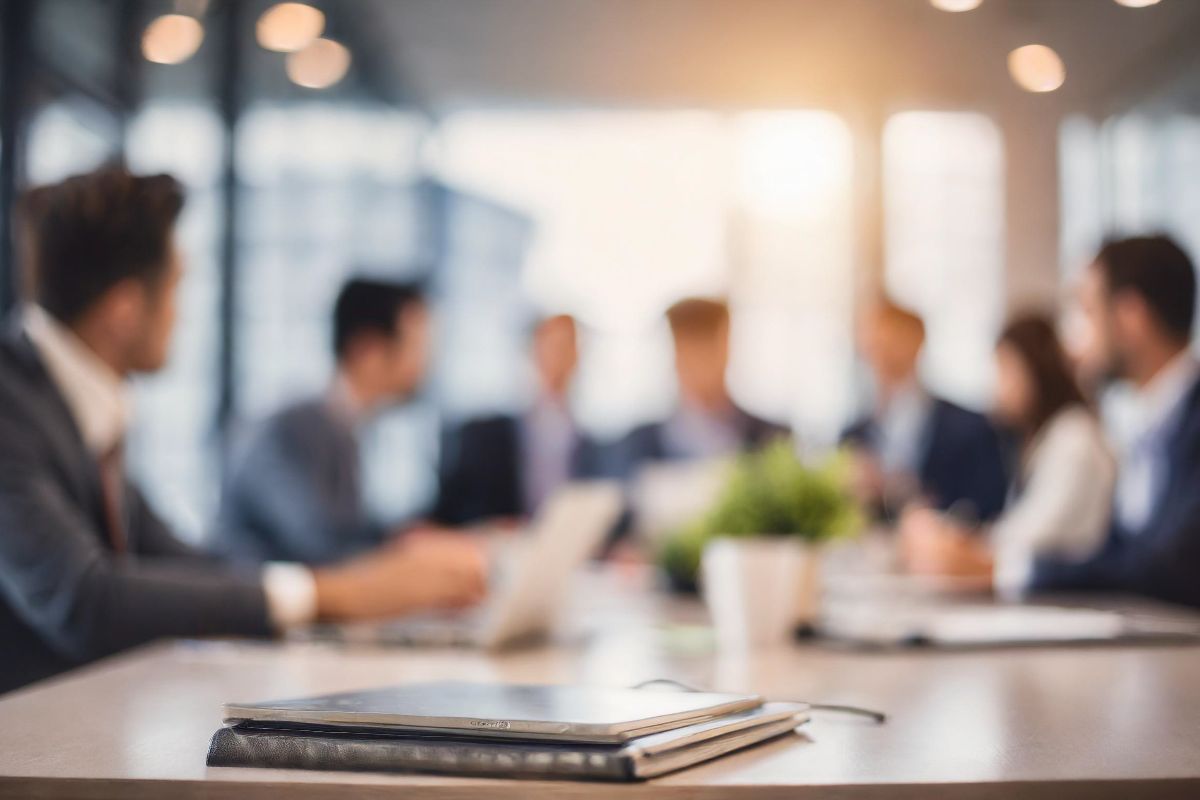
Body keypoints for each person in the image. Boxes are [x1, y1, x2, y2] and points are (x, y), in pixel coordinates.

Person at [0, 167, 485, 694]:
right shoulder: (12, 406)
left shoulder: (79, 410)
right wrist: (328, 594)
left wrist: (338, 591)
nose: (179, 315)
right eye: (176, 287)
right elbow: (84, 602)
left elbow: (178, 561)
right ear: (124, 309)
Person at [1030, 235, 1200, 607]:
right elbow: (1118, 556)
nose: (1073, 341)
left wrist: (1024, 571)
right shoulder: (1148, 426)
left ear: (1130, 316)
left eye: (1087, 312)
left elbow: (1171, 569)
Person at [217, 279, 431, 564]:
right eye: (416, 347)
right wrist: (404, 553)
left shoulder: (345, 426)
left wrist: (405, 536)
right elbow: (319, 546)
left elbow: (350, 531)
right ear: (368, 350)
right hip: (257, 596)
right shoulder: (295, 428)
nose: (426, 364)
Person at [899, 315, 1116, 595]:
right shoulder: (1038, 441)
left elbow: (1038, 534)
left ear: (1036, 371)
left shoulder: (1074, 438)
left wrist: (963, 545)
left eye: (1005, 370)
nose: (998, 387)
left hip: (1074, 594)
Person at [842, 298, 1010, 523]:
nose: (878, 351)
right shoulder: (853, 436)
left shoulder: (971, 429)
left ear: (918, 340)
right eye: (871, 342)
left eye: (888, 338)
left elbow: (989, 508)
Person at [433, 314, 602, 526]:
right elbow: (451, 511)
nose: (559, 358)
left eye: (569, 347)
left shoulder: (593, 444)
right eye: (551, 347)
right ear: (533, 352)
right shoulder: (485, 435)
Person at [614, 298, 786, 473]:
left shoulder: (774, 439)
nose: (697, 362)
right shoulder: (634, 446)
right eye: (687, 348)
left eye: (707, 345)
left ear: (727, 347)